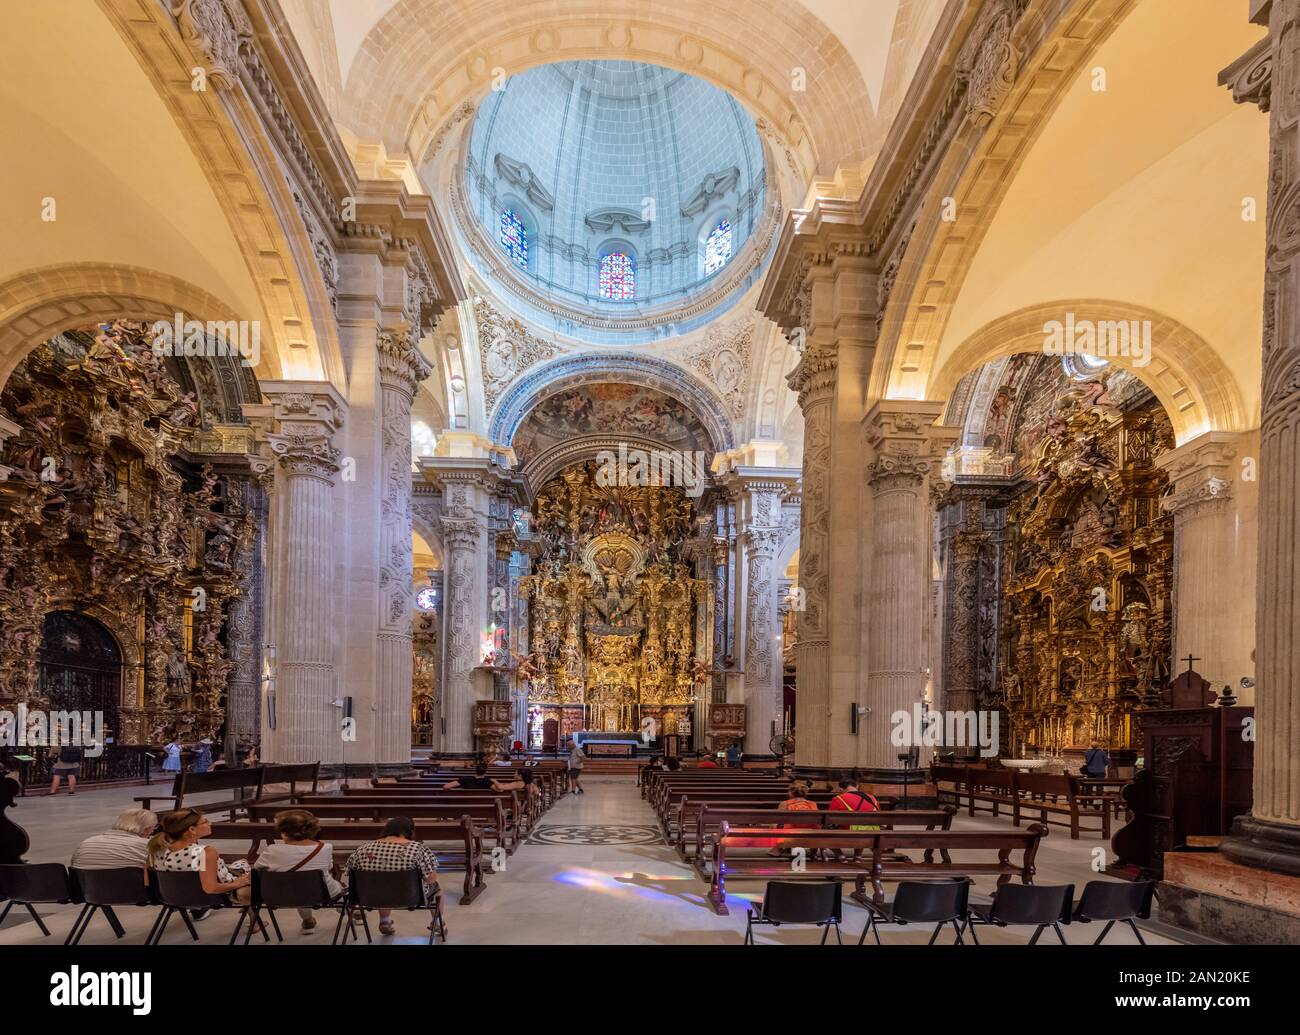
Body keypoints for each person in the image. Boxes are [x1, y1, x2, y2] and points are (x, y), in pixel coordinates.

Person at [346, 816, 441, 936]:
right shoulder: (417, 849)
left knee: (382, 884)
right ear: (409, 831)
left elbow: (350, 874)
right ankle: (437, 923)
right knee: (437, 890)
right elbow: (431, 879)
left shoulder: (362, 849)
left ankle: (384, 922)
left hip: (370, 896)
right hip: (411, 897)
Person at [254, 809, 343, 931]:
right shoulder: (325, 848)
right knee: (327, 886)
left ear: (284, 832)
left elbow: (256, 871)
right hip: (320, 894)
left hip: (280, 895)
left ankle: (307, 920)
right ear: (312, 830)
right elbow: (328, 868)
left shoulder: (272, 850)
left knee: (296, 884)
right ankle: (348, 911)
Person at [148, 808, 252, 908]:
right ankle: (253, 918)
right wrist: (236, 883)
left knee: (241, 865)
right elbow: (210, 888)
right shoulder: (204, 853)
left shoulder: (157, 849)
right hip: (216, 896)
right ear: (192, 829)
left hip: (172, 898)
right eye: (205, 822)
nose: (210, 823)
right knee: (247, 871)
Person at [70, 808, 158, 871]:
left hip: (87, 894)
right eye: (152, 829)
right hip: (132, 894)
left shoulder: (85, 843)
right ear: (146, 830)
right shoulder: (147, 846)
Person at [443, 763, 510, 792]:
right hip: (483, 806)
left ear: (476, 770)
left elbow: (446, 786)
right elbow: (500, 789)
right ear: (486, 772)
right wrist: (495, 781)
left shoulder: (465, 779)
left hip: (464, 804)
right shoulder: (487, 781)